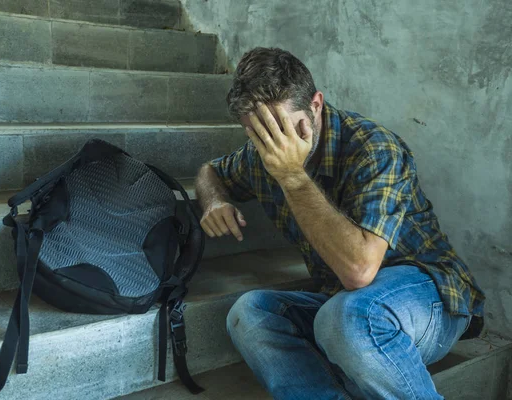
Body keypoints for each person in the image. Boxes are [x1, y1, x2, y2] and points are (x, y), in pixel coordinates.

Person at [194, 47, 485, 399]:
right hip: (345, 304)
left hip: (430, 296)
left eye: (283, 129)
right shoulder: (261, 157)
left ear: (316, 105)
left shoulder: (375, 149)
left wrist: (293, 177)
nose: (275, 146)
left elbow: (359, 270)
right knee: (250, 313)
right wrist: (214, 200)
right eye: (259, 134)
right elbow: (210, 171)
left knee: (346, 318)